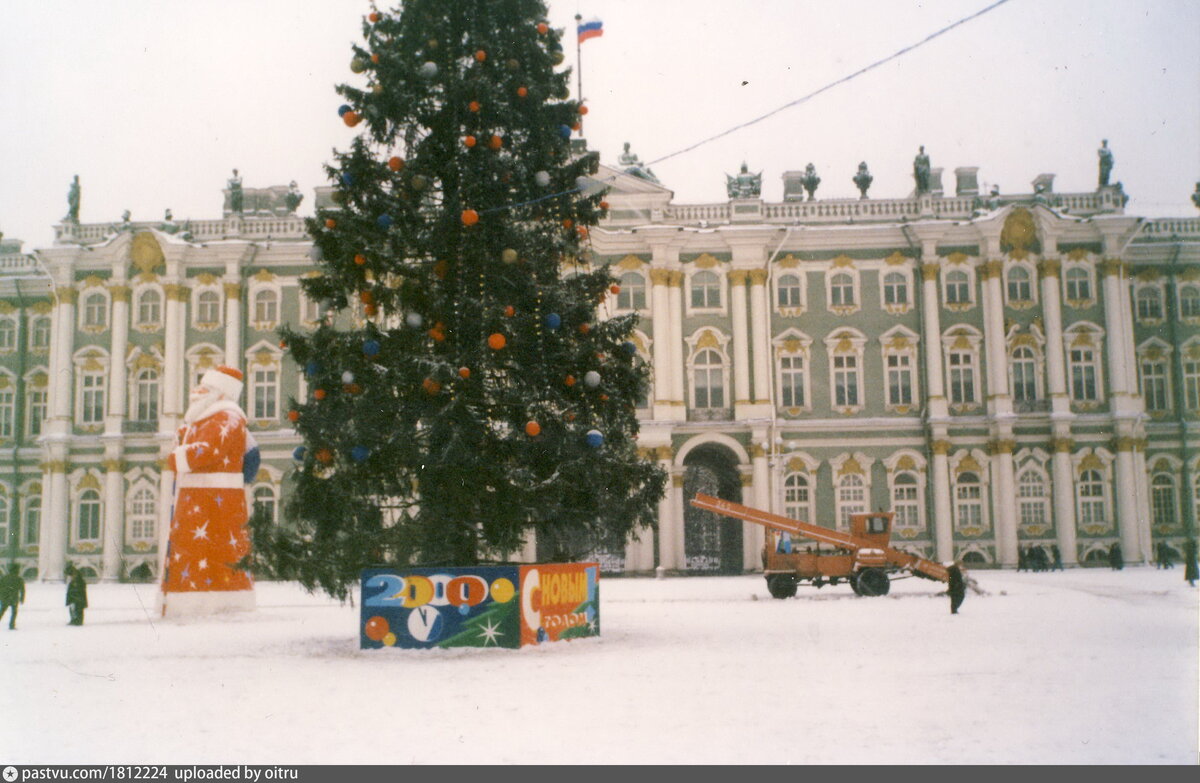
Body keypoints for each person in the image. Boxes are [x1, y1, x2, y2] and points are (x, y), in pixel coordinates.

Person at [160, 366, 256, 617]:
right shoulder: (202, 419)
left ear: (220, 393)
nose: (196, 391)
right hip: (198, 498)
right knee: (194, 551)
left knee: (214, 550)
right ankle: (187, 601)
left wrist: (177, 456)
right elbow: (183, 441)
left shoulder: (228, 417)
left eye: (204, 388)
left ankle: (218, 603)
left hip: (216, 500)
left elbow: (207, 450)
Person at [0, 563, 25, 630]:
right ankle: (11, 625)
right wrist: (22, 598)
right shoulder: (19, 579)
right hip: (14, 598)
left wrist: (1, 596)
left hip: (5, 597)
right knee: (14, 612)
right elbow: (22, 590)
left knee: (2, 611)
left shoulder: (5, 578)